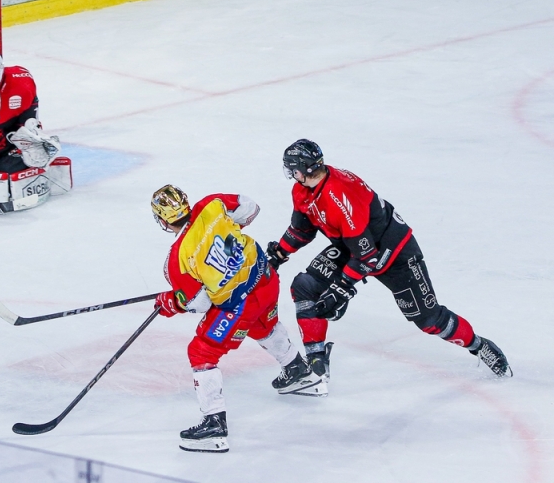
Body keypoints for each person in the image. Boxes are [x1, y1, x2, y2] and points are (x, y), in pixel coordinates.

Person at [266, 139, 511, 394]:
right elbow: (302, 230)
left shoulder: (339, 195)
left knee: (429, 320)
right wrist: (279, 254)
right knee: (305, 286)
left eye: (291, 168)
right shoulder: (303, 190)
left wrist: (341, 288)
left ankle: (478, 345)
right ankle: (316, 366)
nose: (290, 174)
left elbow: (367, 256)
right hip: (356, 247)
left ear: (303, 168)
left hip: (395, 252)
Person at [151, 185, 321, 454]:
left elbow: (199, 302)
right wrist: (229, 231)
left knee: (201, 351)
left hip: (238, 304)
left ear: (162, 220)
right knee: (263, 326)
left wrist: (173, 302)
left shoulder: (176, 259)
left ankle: (214, 424)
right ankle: (298, 370)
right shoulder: (210, 204)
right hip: (265, 279)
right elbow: (250, 207)